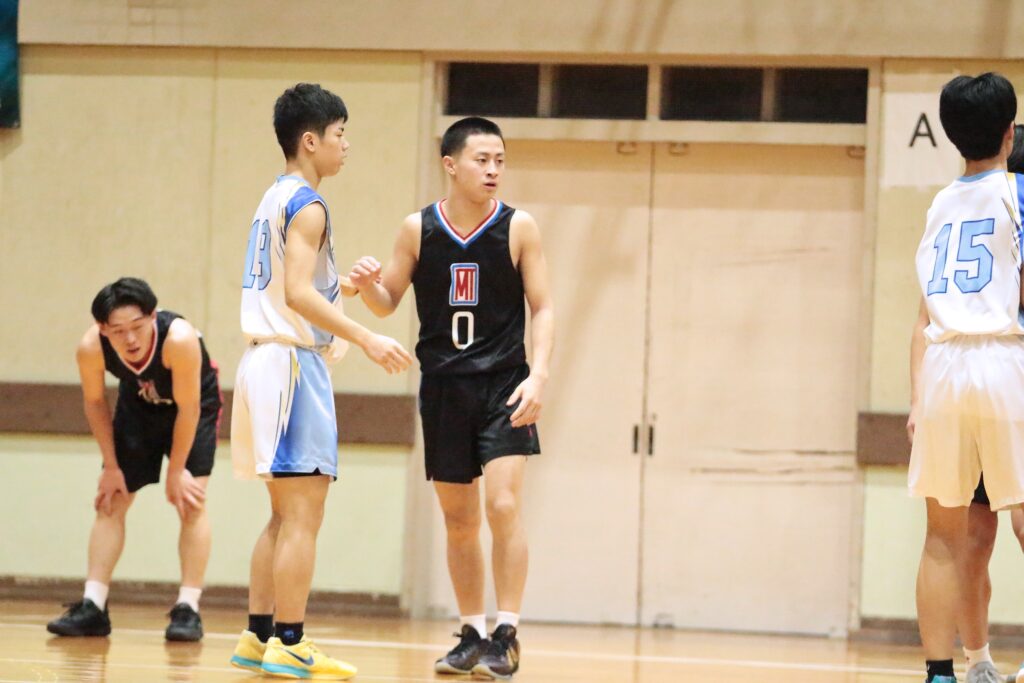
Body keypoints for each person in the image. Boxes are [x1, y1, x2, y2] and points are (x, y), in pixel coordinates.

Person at [348, 116, 554, 680]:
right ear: (450, 164)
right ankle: (471, 633)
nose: (493, 170)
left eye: (499, 160)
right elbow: (387, 301)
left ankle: (507, 632)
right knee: (459, 519)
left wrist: (538, 376)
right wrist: (365, 286)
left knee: (503, 506)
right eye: (481, 160)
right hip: (444, 387)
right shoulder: (418, 228)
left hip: (504, 385)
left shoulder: (518, 227)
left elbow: (543, 306)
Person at [228, 82, 412, 680]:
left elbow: (300, 286)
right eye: (339, 134)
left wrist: (346, 290)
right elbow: (296, 294)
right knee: (303, 516)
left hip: (263, 362)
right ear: (310, 141)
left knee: (283, 515)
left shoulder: (273, 197)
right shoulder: (309, 204)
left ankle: (259, 636)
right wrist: (367, 336)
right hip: (290, 366)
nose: (346, 144)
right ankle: (290, 642)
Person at [907, 72, 1022, 683]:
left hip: (943, 366)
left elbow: (924, 310)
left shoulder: (939, 205)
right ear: (1010, 134)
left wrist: (916, 398)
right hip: (1003, 357)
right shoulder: (1017, 193)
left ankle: (940, 672)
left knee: (941, 536)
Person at [46, 277, 222, 642]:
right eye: (118, 331)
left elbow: (188, 408)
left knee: (190, 501)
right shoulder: (91, 347)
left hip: (193, 407)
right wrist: (111, 466)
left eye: (138, 327)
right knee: (111, 499)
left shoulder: (179, 339)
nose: (130, 339)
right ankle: (93, 606)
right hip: (138, 405)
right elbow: (95, 402)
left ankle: (188, 608)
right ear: (102, 329)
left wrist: (176, 470)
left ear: (153, 317)